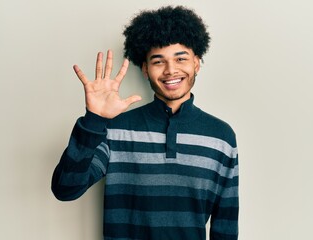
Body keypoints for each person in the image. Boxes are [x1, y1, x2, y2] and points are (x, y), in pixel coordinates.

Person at [51, 5, 238, 240]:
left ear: (196, 63)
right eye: (158, 61)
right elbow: (65, 189)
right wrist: (94, 119)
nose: (171, 70)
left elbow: (226, 225)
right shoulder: (115, 128)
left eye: (181, 58)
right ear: (145, 69)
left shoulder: (221, 136)